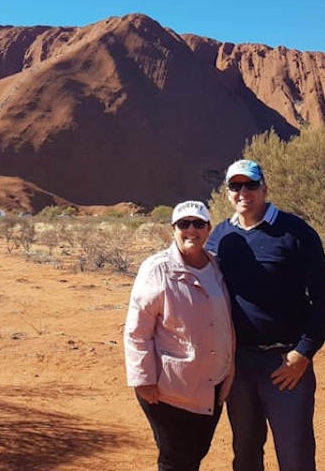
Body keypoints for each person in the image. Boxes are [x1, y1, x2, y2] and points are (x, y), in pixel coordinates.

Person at [205, 159, 325, 471]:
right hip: (238, 364)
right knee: (246, 453)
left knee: (296, 454)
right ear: (227, 193)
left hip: (285, 363)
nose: (243, 192)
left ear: (264, 187)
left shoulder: (296, 232)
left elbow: (323, 299)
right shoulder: (220, 236)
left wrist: (303, 353)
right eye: (235, 186)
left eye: (250, 184)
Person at [124, 200, 235, 471]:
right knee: (175, 460)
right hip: (169, 389)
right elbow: (137, 330)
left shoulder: (217, 267)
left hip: (212, 383)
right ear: (173, 229)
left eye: (198, 224)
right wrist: (143, 378)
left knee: (195, 454)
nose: (191, 230)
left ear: (208, 229)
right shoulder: (157, 269)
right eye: (184, 224)